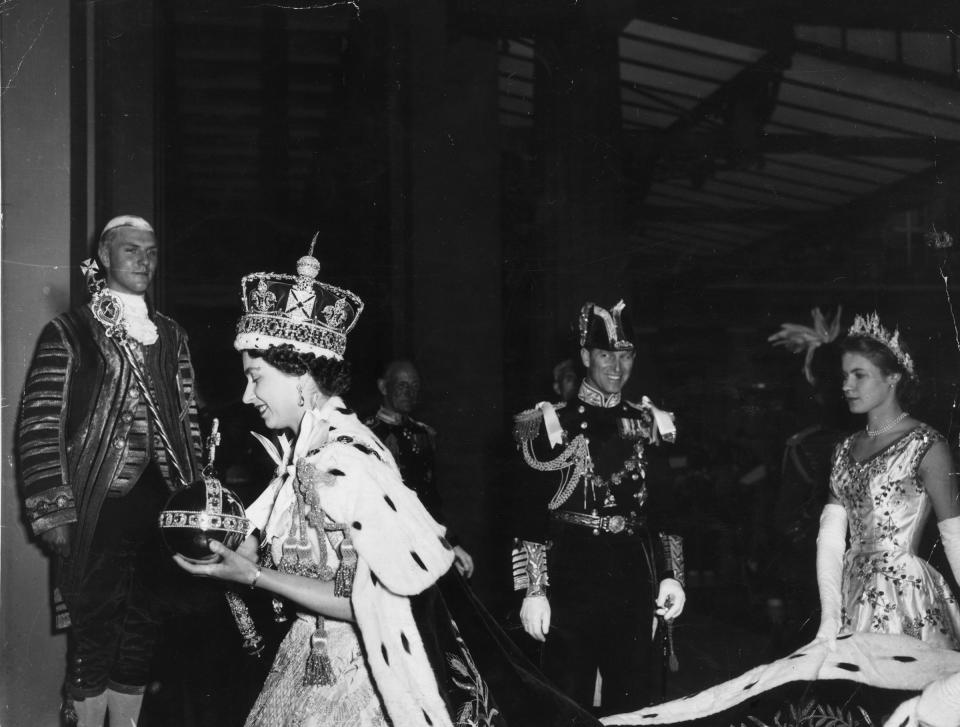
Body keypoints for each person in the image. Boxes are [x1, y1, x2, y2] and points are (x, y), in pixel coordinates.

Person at [175, 243, 602, 727]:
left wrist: (253, 577)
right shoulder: (306, 453)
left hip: (362, 677)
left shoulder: (342, 460)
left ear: (302, 378)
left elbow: (369, 602)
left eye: (256, 377)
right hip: (309, 659)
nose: (247, 395)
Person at [17, 215, 202, 726]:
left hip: (162, 507)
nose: (144, 260)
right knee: (94, 636)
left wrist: (199, 500)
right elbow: (39, 425)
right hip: (97, 505)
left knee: (141, 633)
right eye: (131, 250)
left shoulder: (173, 336)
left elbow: (190, 422)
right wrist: (52, 510)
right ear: (104, 256)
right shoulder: (69, 331)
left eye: (151, 251)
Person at [512, 299, 686, 713]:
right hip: (571, 578)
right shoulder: (551, 425)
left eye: (625, 356)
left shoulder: (649, 424)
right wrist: (534, 590)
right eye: (606, 354)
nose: (616, 366)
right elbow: (528, 513)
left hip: (631, 577)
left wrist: (671, 575)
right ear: (586, 356)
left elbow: (667, 509)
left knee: (634, 699)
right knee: (566, 701)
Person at [816, 312, 960, 648]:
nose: (846, 385)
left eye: (859, 375)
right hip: (848, 595)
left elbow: (955, 535)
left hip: (906, 600)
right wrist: (828, 616)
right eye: (844, 376)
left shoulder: (926, 444)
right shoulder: (844, 449)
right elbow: (832, 538)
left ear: (893, 377)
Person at [767, 307, 854, 650]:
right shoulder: (806, 445)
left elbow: (783, 521)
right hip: (818, 577)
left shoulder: (807, 444)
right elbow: (786, 521)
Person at [365, 359, 475, 577]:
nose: (410, 392)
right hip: (381, 544)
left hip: (423, 540)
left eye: (414, 386)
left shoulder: (425, 435)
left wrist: (451, 543)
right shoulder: (366, 434)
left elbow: (431, 499)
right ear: (383, 387)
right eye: (402, 385)